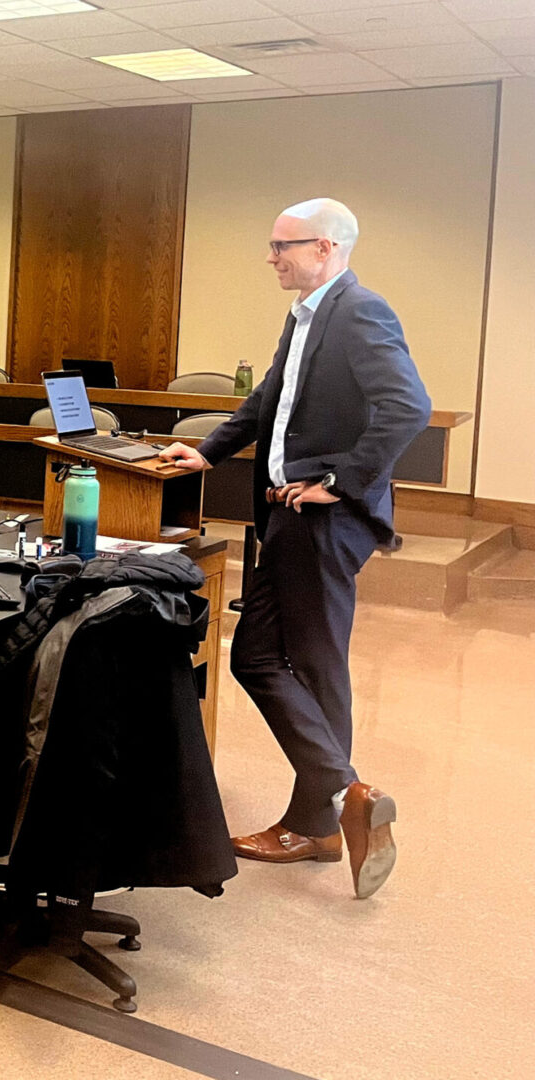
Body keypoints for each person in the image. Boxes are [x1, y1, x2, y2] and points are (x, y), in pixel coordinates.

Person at [158, 197, 429, 900]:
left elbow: (408, 407)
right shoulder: (307, 314)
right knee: (277, 658)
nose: (272, 256)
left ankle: (332, 807)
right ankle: (334, 806)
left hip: (321, 521)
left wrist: (339, 481)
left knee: (296, 661)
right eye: (272, 243)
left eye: (286, 245)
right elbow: (267, 404)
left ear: (328, 248)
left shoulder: (361, 312)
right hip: (287, 517)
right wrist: (209, 451)